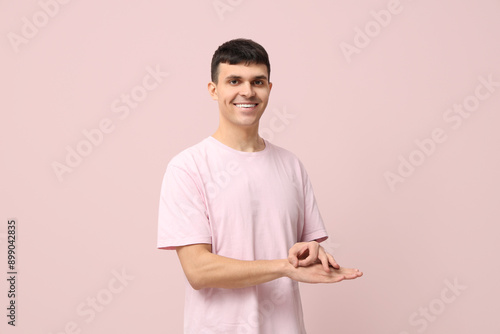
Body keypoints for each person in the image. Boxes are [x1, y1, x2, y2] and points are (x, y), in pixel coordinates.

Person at [157, 38, 363, 334]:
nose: (247, 91)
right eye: (234, 80)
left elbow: (302, 251)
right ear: (213, 90)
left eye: (258, 81)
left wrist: (312, 252)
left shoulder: (291, 166)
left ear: (269, 88)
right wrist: (282, 267)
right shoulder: (187, 167)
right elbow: (198, 270)